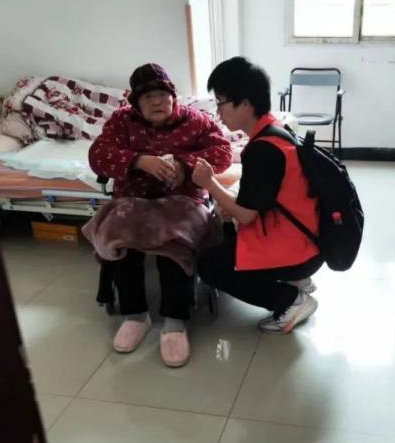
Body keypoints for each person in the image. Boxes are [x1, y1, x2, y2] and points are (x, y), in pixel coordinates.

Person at [89, 63, 232, 366]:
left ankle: (175, 322)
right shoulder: (121, 121)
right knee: (119, 232)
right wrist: (139, 161)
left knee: (174, 238)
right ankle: (135, 315)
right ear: (135, 103)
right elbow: (97, 156)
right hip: (134, 199)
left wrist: (184, 165)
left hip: (182, 198)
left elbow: (223, 152)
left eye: (162, 95)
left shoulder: (196, 121)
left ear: (173, 96)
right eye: (147, 97)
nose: (156, 101)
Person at [193, 57, 322, 334]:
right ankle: (295, 279)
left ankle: (291, 299)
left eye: (221, 102)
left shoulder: (262, 150)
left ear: (246, 104)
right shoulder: (275, 129)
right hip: (306, 236)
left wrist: (210, 183)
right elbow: (261, 195)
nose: (218, 112)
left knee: (209, 265)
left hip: (297, 248)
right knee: (225, 223)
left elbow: (246, 216)